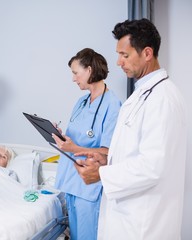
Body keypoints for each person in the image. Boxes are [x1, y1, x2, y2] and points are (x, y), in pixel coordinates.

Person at [74, 19, 187, 240]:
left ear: (147, 53)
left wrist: (101, 174)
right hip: (129, 220)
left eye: (125, 55)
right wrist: (105, 160)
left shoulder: (162, 98)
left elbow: (152, 166)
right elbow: (135, 152)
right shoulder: (142, 94)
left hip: (144, 226)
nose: (118, 62)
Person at [52, 48, 121, 240]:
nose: (73, 79)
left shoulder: (112, 104)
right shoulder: (81, 102)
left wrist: (74, 148)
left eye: (76, 73)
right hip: (72, 181)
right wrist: (60, 136)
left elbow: (108, 153)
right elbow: (77, 136)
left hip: (89, 187)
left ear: (89, 70)